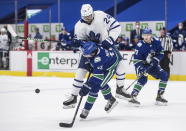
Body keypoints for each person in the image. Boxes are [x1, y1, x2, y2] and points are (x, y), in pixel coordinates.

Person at [63, 4, 131, 109]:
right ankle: (73, 96)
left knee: (121, 64)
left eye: (90, 16)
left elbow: (116, 26)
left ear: (92, 13)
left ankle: (120, 88)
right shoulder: (78, 26)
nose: (88, 18)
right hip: (90, 52)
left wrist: (111, 38)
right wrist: (78, 43)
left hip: (107, 47)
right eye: (86, 17)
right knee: (81, 71)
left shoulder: (101, 15)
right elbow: (81, 44)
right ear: (82, 16)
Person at [129, 28, 169, 106]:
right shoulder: (139, 46)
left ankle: (159, 96)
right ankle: (133, 96)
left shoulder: (156, 42)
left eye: (148, 35)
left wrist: (155, 60)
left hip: (153, 64)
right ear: (142, 36)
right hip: (142, 65)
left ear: (151, 35)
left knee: (164, 75)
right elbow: (136, 60)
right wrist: (142, 69)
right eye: (144, 35)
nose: (146, 37)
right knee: (143, 79)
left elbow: (161, 52)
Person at [79, 41, 119, 119]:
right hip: (103, 64)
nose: (86, 56)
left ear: (94, 52)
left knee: (98, 86)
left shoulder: (99, 58)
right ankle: (110, 99)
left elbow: (98, 77)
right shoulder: (94, 49)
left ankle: (87, 108)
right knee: (97, 86)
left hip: (109, 68)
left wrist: (87, 85)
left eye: (88, 55)